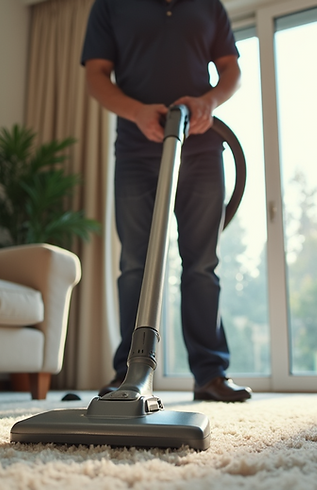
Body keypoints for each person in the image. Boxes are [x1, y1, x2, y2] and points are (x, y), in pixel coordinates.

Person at [81, 0, 251, 402]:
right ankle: (128, 376)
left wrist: (207, 102)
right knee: (135, 264)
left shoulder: (208, 5)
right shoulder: (110, 5)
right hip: (137, 151)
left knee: (202, 263)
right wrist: (138, 111)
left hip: (201, 147)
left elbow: (232, 70)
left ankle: (210, 374)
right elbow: (96, 76)